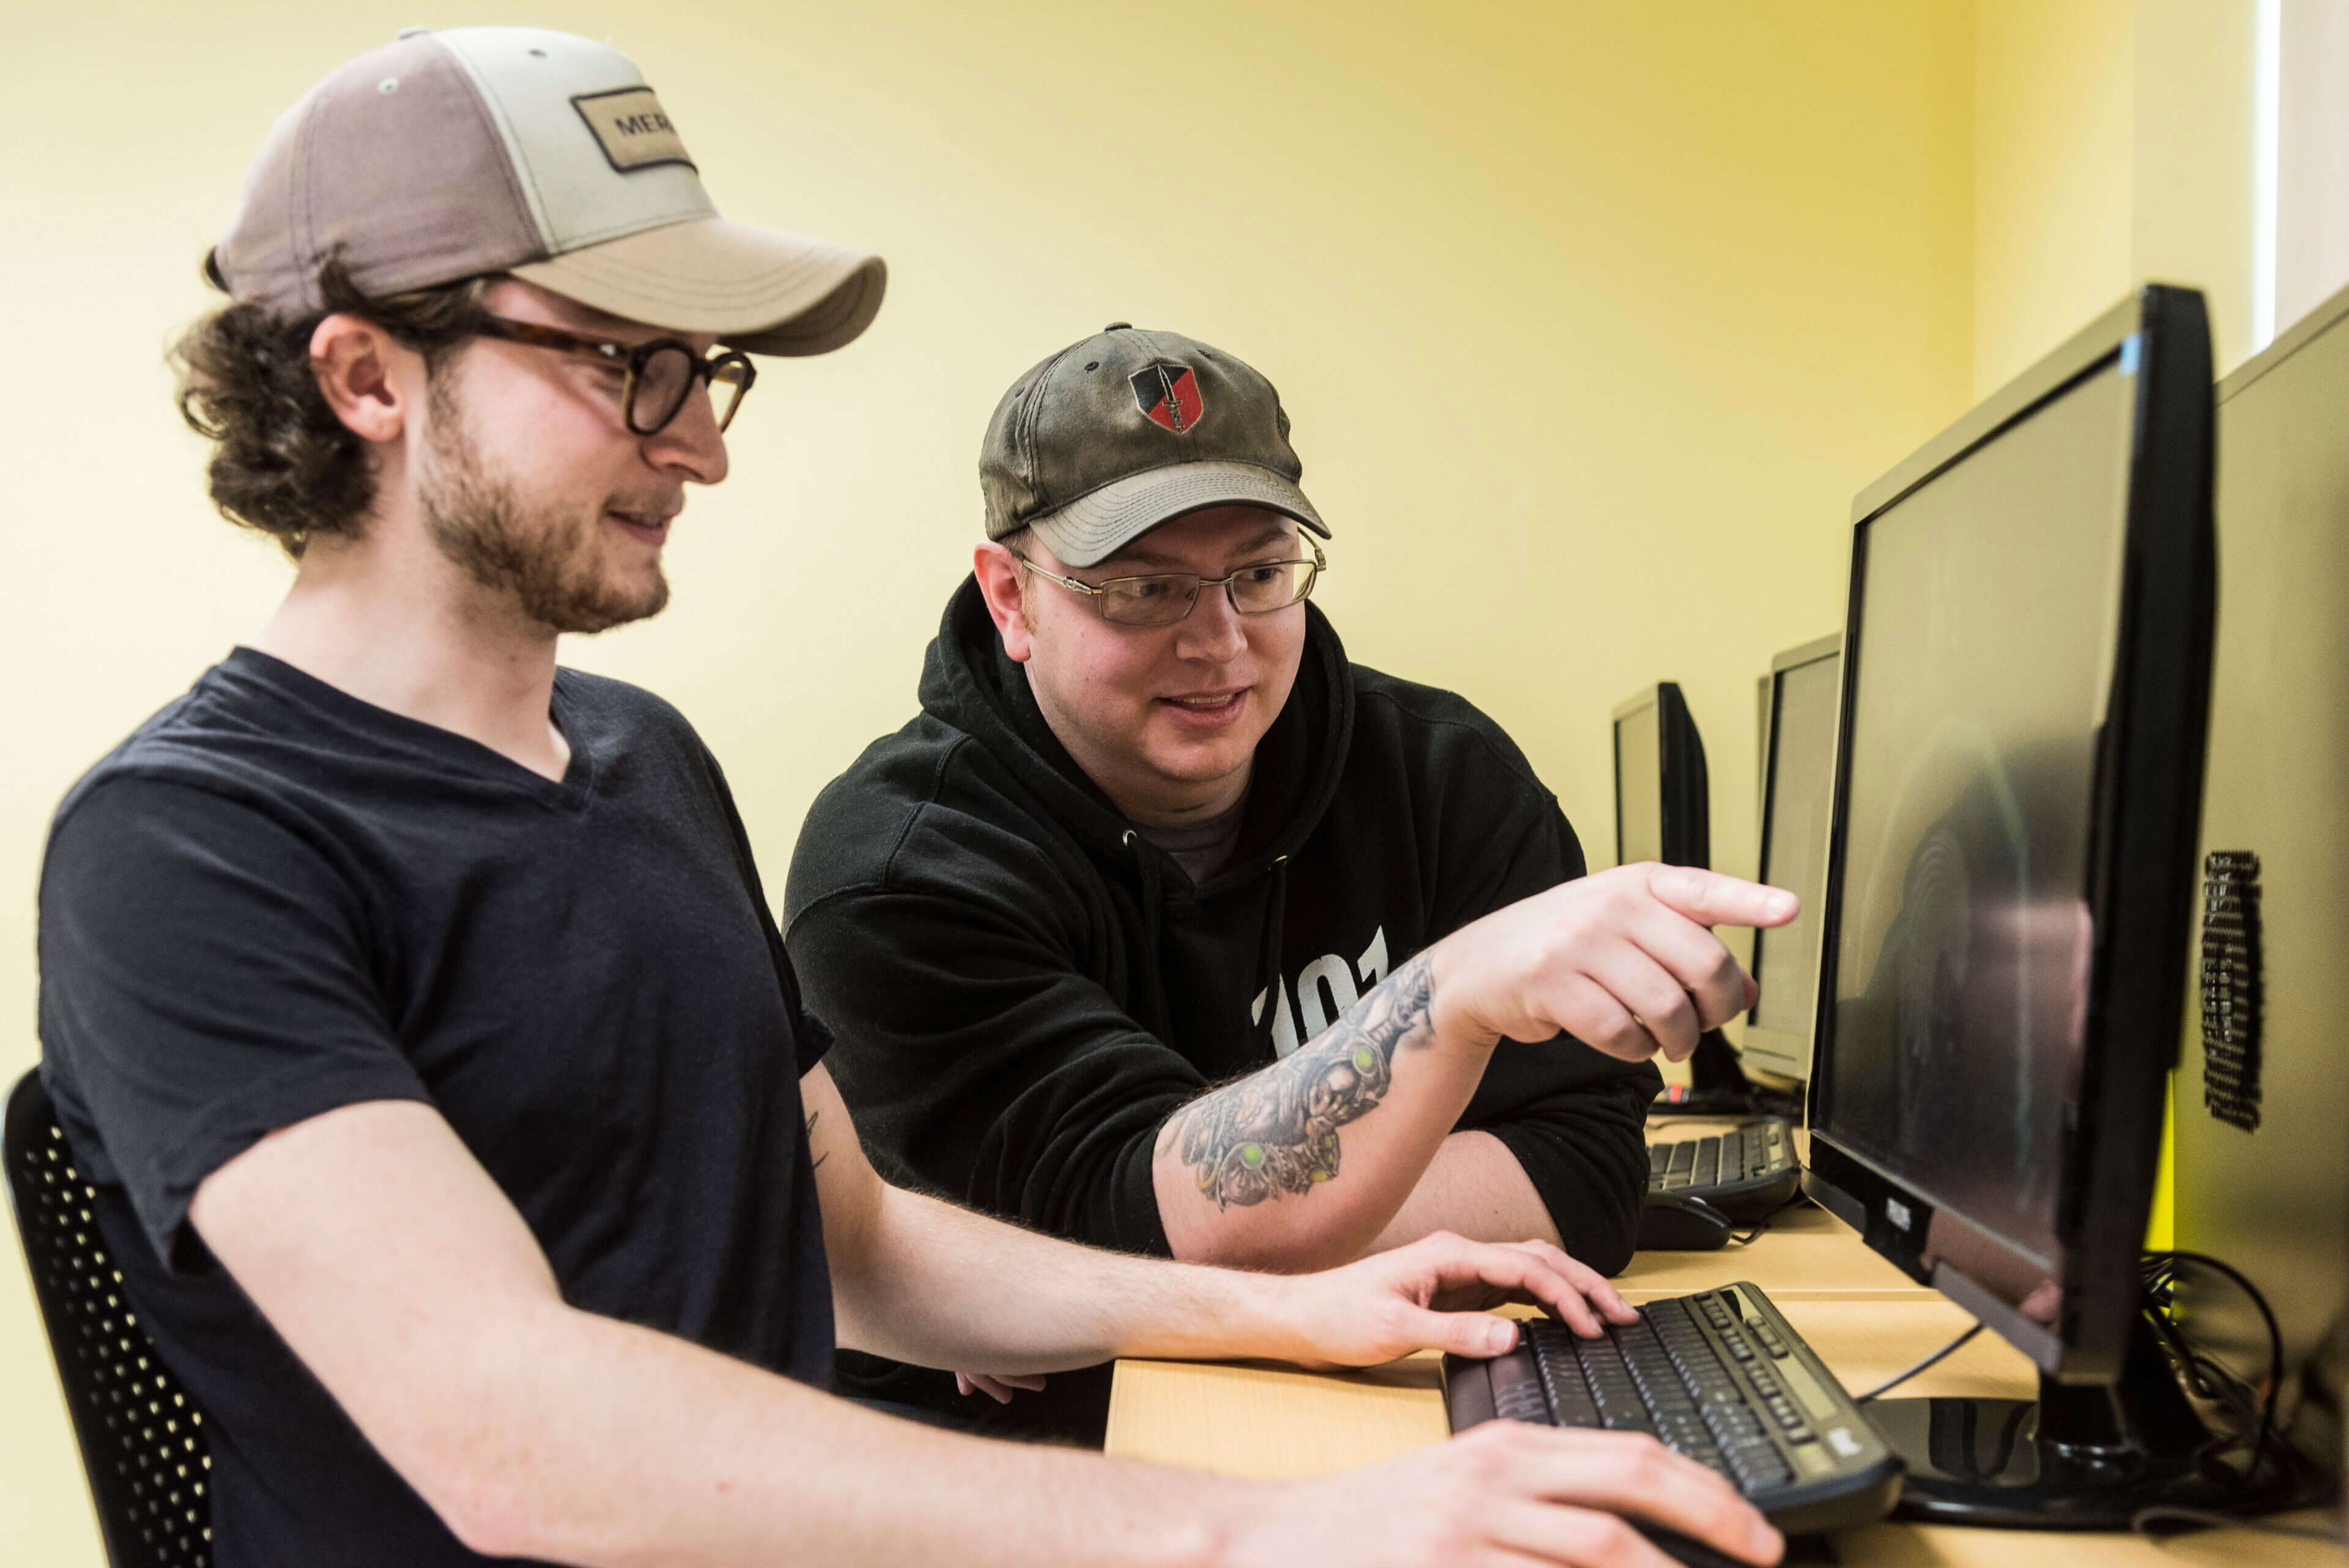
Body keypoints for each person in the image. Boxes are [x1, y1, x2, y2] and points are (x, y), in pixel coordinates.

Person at [33, 26, 1787, 1568]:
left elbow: (858, 1241)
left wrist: (1286, 1310)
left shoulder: (636, 756)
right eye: (624, 364)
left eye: (701, 374)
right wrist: (1264, 1521)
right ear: (365, 378)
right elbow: (516, 1434)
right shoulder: (187, 848)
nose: (702, 442)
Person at [785, 325, 1800, 1439]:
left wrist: (1165, 1274)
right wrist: (1443, 1005)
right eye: (1144, 588)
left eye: (1260, 575)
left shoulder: (1439, 774)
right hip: (1018, 1471)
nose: (1220, 644)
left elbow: (1588, 1175)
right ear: (1012, 600)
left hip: (1367, 1390)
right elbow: (1136, 1227)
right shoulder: (899, 874)